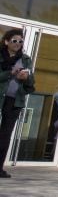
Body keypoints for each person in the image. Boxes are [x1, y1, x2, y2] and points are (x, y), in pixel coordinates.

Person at [0, 29, 35, 178]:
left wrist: (25, 77)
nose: (18, 43)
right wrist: (11, 73)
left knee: (5, 135)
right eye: (15, 40)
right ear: (7, 41)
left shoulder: (26, 59)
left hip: (14, 101)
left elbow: (32, 83)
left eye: (21, 41)